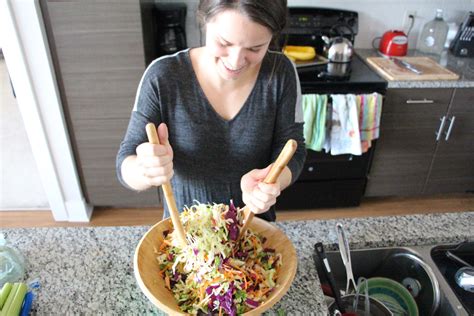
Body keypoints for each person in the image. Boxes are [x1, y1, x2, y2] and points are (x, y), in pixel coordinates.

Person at [116, 0, 306, 222]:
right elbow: (124, 163)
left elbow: (294, 148)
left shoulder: (281, 72)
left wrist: (272, 182)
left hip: (253, 229)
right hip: (186, 235)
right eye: (224, 42)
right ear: (205, 21)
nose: (235, 62)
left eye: (255, 48)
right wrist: (144, 169)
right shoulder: (163, 76)